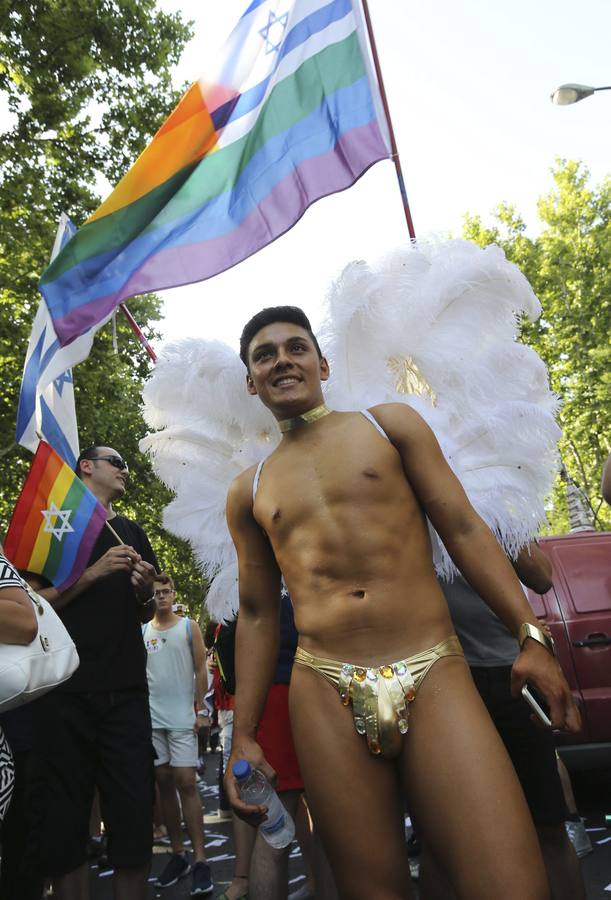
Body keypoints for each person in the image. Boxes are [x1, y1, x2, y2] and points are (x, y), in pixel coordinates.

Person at [224, 306, 580, 900]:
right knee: (373, 890)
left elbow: (464, 528)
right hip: (323, 688)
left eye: (295, 347)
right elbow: (258, 613)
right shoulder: (249, 489)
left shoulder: (389, 425)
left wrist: (530, 634)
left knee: (508, 882)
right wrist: (244, 734)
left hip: (432, 665)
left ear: (322, 362)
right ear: (250, 380)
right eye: (265, 354)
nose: (282, 360)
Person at [419, 542, 586, 900]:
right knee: (445, 837)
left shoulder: (486, 495)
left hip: (508, 676)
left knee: (547, 828)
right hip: (441, 679)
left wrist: (492, 516)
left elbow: (541, 575)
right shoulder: (402, 500)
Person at [28, 445, 158, 900]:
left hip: (125, 693)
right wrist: (93, 573)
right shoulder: (52, 526)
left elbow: (144, 612)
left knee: (134, 819)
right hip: (63, 695)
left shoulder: (129, 532)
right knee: (65, 828)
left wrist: (144, 593)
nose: (125, 470)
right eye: (116, 462)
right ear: (87, 466)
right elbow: (28, 608)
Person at [143, 572, 213, 895]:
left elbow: (201, 668)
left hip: (184, 717)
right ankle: (178, 854)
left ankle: (200, 860)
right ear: (151, 596)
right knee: (163, 782)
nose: (162, 597)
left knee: (186, 781)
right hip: (154, 721)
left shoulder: (189, 626)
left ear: (173, 594)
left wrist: (202, 710)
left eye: (166, 591)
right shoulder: (143, 632)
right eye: (157, 592)